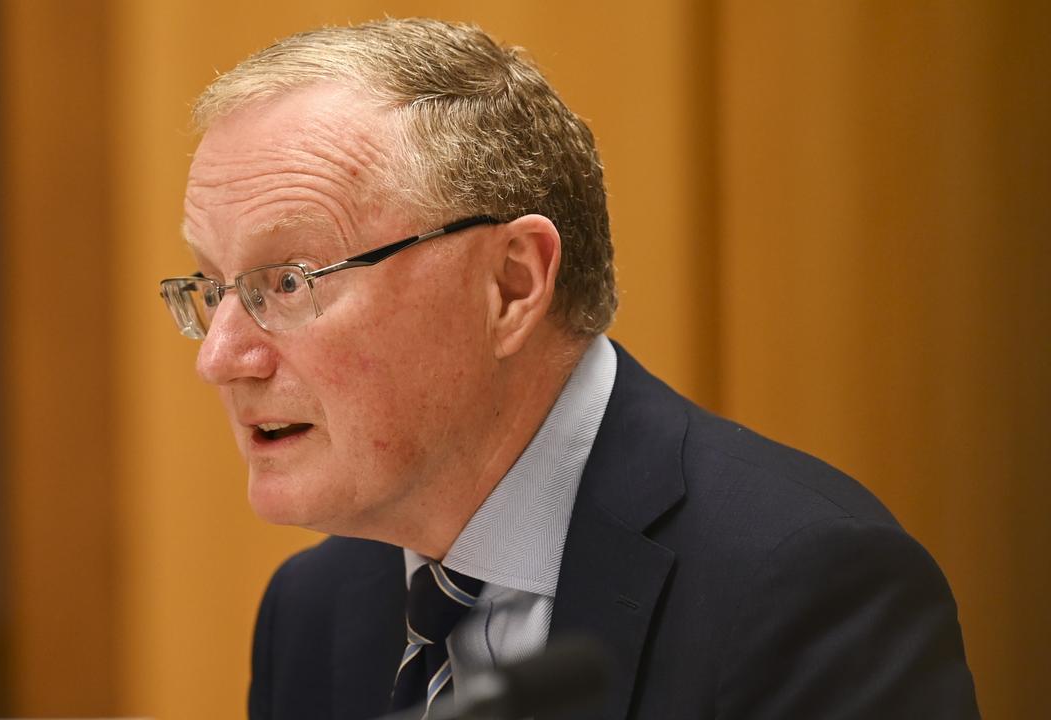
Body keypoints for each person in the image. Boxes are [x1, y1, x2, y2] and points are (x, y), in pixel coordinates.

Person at [159, 18, 979, 720]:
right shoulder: (313, 611)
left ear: (512, 284)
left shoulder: (807, 590)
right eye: (211, 288)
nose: (221, 356)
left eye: (290, 282)